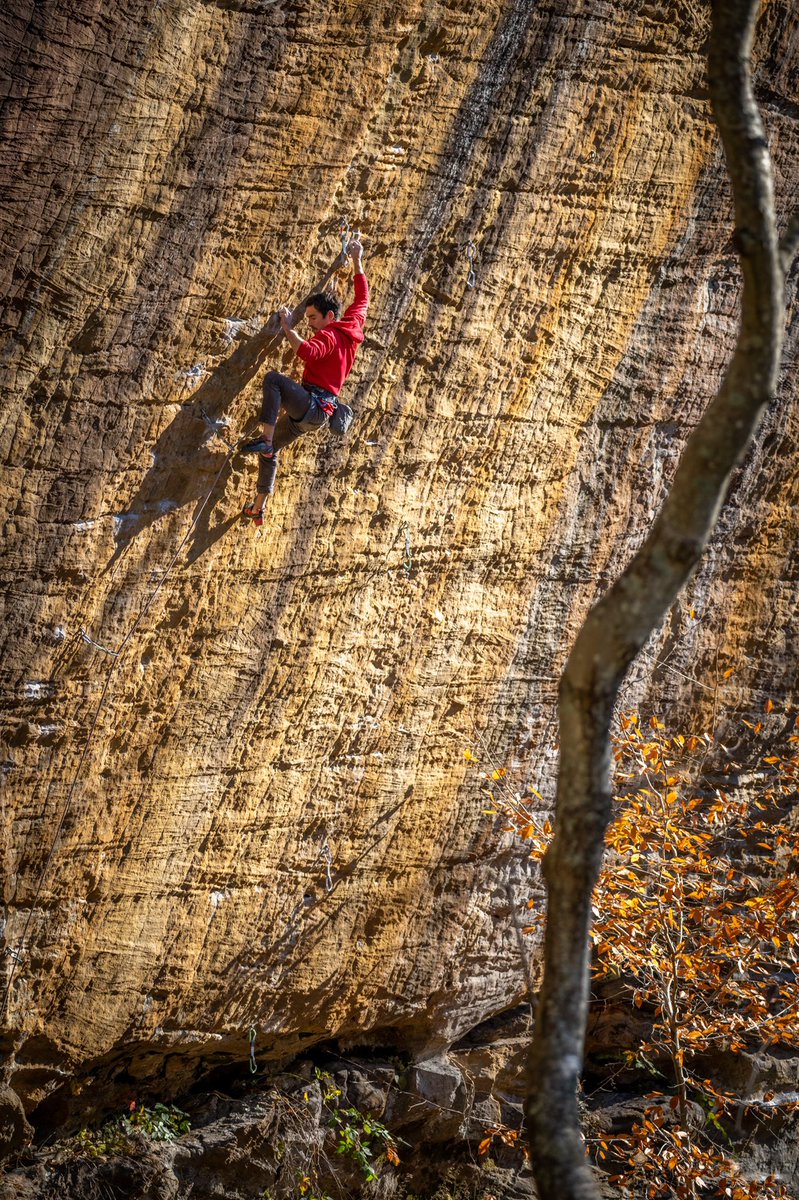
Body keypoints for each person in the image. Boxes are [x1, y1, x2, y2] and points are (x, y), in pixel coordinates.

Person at [241, 237, 369, 525]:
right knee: (271, 451)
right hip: (317, 415)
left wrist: (287, 326)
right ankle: (258, 508)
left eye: (312, 318)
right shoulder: (352, 326)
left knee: (273, 380)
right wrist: (358, 260)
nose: (309, 323)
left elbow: (306, 351)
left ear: (329, 316)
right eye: (307, 317)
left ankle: (265, 438)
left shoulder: (330, 335)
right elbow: (362, 299)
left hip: (310, 405)